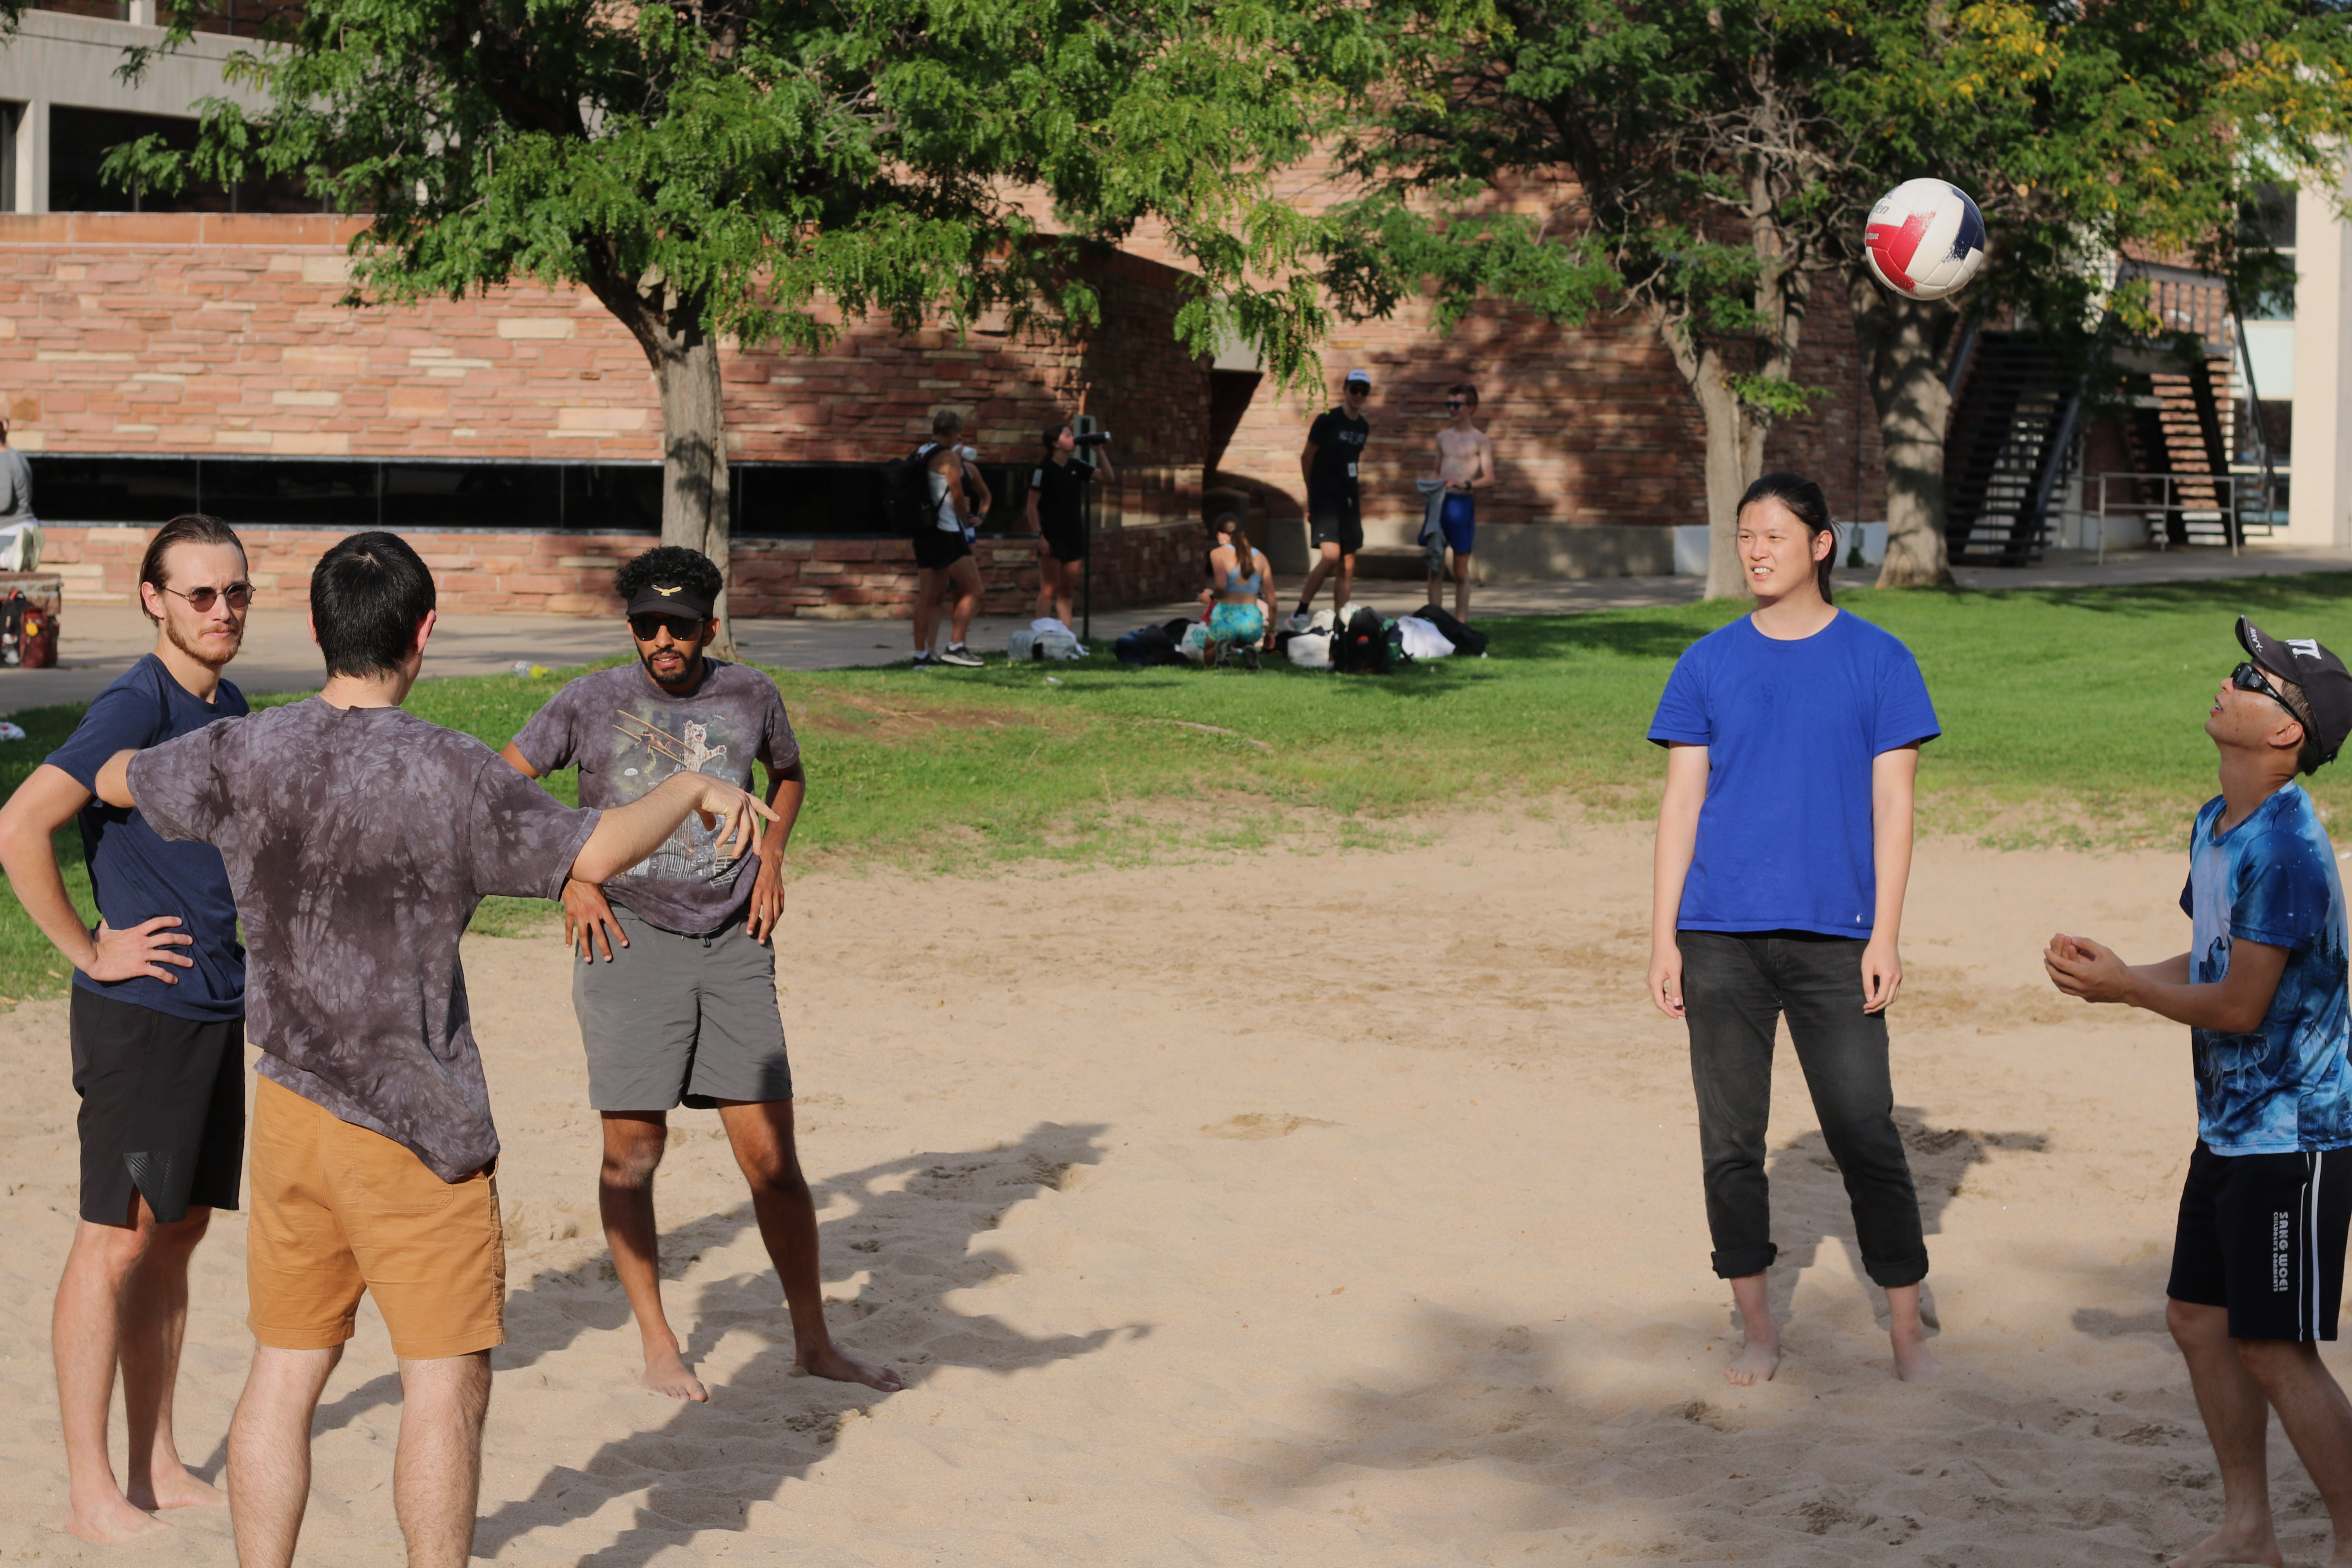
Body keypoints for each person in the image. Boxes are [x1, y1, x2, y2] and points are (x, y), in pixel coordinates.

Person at [91, 531, 774, 1568]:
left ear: (319, 632)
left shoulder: (243, 750)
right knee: (444, 1382)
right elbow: (594, 848)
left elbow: (116, 779)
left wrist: (122, 775)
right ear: (424, 633)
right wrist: (692, 788)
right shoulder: (449, 769)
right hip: (419, 1132)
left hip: (286, 1118)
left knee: (284, 1370)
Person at [498, 545, 902, 1401]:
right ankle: (657, 1341)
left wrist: (775, 854)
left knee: (773, 1162)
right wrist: (570, 874)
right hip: (627, 938)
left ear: (710, 626)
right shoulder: (590, 699)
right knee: (633, 1154)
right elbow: (500, 788)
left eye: (678, 626)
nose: (660, 641)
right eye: (646, 624)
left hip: (733, 940)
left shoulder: (751, 695)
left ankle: (813, 1341)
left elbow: (788, 775)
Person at [2046, 618, 2352, 1568]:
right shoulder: (2216, 824)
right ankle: (2250, 1530)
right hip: (2231, 1128)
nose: (2227, 683)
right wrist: (2128, 968)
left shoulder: (2289, 851)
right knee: (2198, 1319)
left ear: (2285, 733)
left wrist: (2127, 990)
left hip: (2295, 1136)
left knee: (2274, 1346)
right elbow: (2213, 959)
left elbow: (2240, 1002)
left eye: (2251, 679)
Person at [1644, 472, 1942, 1387]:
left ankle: (1905, 1328)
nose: (1756, 551)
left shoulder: (1880, 660)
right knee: (1730, 1140)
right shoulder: (1706, 664)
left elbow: (1895, 804)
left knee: (1863, 1129)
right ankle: (1758, 1332)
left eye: (1774, 535)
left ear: (1821, 544)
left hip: (1835, 938)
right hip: (1718, 935)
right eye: (1744, 536)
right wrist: (1663, 935)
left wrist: (1884, 934)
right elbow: (1682, 799)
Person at [0, 514, 249, 1543]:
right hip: (140, 1017)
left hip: (214, 1012)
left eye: (236, 591)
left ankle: (156, 1459)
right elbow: (19, 825)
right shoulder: (133, 702)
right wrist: (88, 948)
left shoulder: (227, 701)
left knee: (177, 1237)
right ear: (154, 599)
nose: (224, 611)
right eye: (201, 595)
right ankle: (92, 1486)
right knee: (114, 1242)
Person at [1290, 369, 1371, 626]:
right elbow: (1307, 457)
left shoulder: (1363, 427)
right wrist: (1312, 495)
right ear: (1345, 389)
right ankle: (1301, 611)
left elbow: (1352, 463)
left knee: (1348, 565)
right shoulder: (1327, 420)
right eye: (1355, 389)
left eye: (1364, 391)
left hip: (1349, 501)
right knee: (1331, 557)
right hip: (1325, 499)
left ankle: (1341, 622)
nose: (1359, 395)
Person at [910, 410, 988, 668]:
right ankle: (956, 646)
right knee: (976, 590)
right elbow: (957, 496)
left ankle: (923, 655)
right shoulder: (947, 458)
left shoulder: (920, 453)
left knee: (930, 597)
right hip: (947, 532)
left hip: (923, 533)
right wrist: (966, 523)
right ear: (954, 433)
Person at [1027, 420, 1115, 628]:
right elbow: (1031, 506)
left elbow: (1108, 478)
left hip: (1074, 534)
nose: (1072, 438)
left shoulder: (1077, 466)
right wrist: (1039, 536)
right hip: (1051, 535)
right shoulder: (1043, 470)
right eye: (1067, 435)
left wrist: (1099, 450)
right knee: (1049, 589)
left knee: (1066, 590)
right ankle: (1043, 634)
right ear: (1055, 444)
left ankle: (1067, 637)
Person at [1424, 383, 1493, 623]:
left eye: (1457, 405)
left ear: (1471, 408)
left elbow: (1490, 478)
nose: (1452, 409)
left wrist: (1468, 485)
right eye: (1449, 404)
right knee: (1435, 566)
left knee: (1461, 571)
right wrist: (1427, 483)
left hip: (1461, 505)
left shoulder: (1480, 440)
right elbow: (1436, 471)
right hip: (1439, 504)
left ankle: (1460, 624)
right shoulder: (1442, 437)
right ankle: (1434, 622)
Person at [1203, 513, 1274, 668]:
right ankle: (1248, 649)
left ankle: (1222, 649)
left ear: (1220, 535)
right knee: (1244, 638)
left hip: (1226, 616)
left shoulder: (1218, 553)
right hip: (1252, 619)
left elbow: (1221, 587)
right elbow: (1273, 602)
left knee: (1208, 651)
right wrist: (1271, 631)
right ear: (1242, 533)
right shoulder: (1262, 558)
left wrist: (1208, 597)